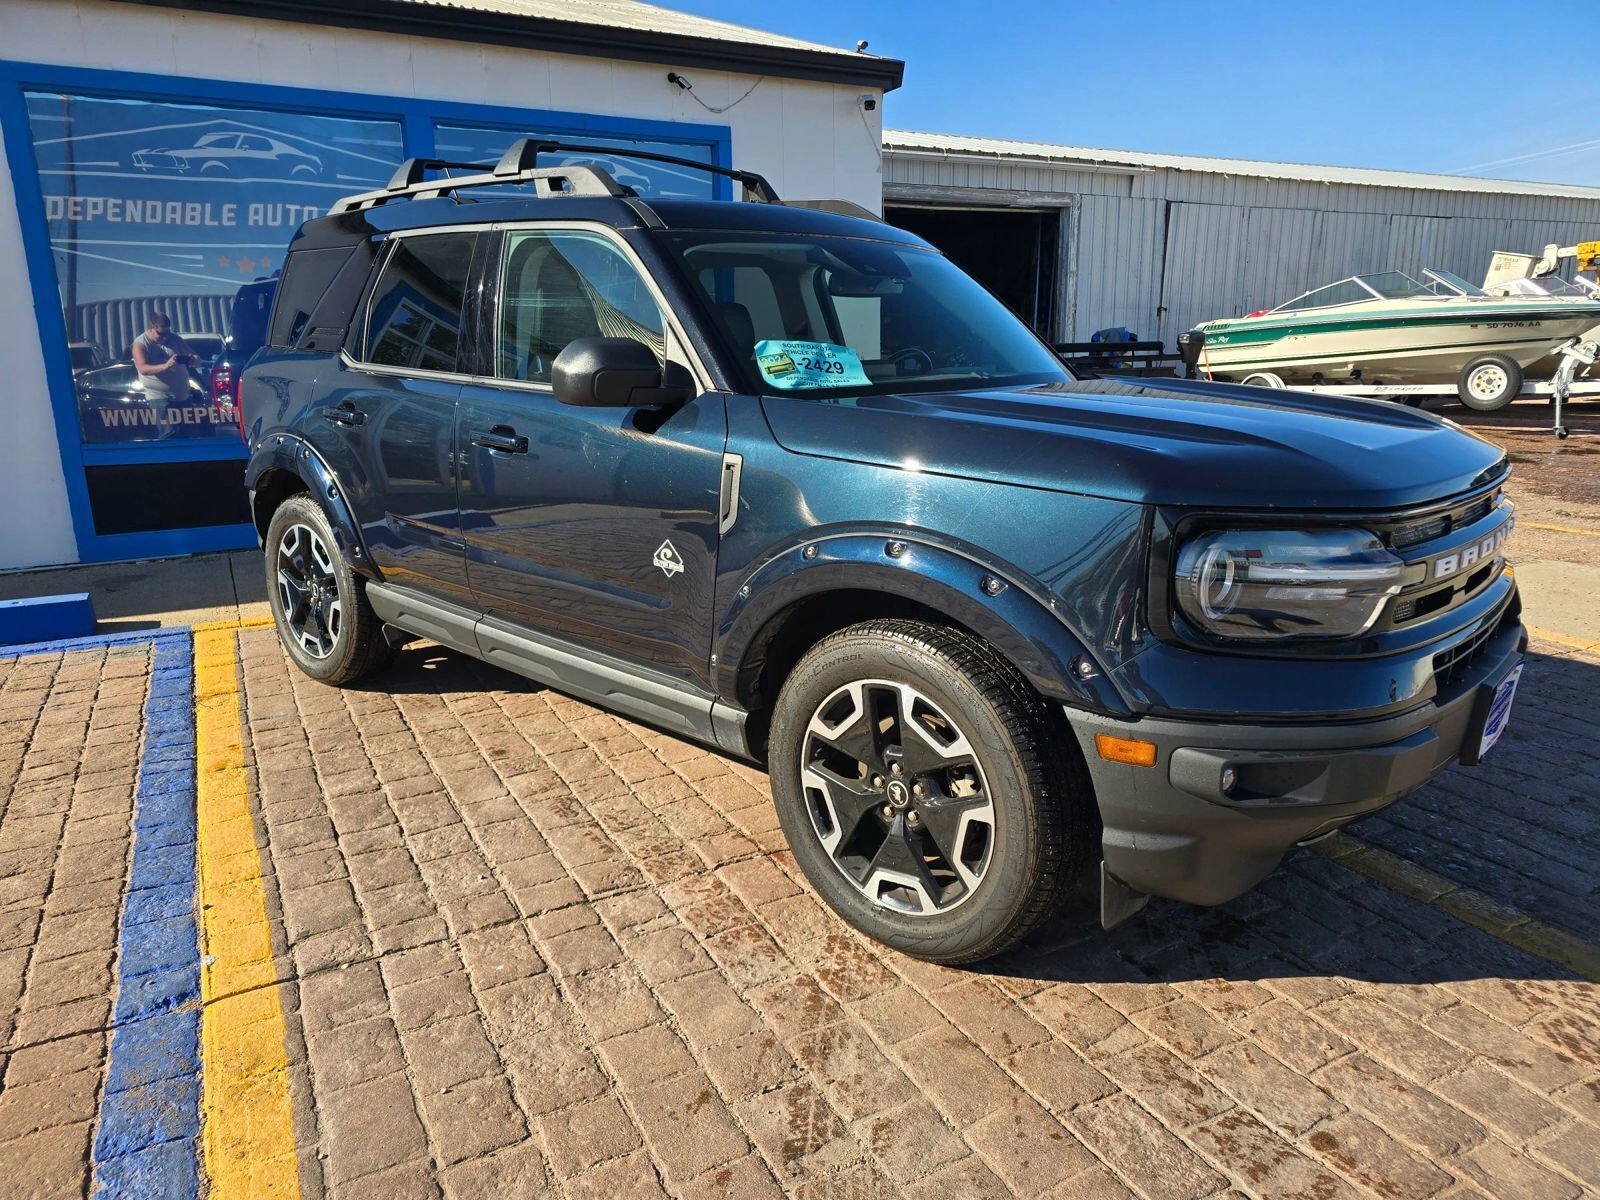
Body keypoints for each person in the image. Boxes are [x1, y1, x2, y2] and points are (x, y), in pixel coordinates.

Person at [131, 312, 199, 438]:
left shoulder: (175, 339)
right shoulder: (140, 344)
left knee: (187, 435)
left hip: (182, 396)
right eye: (161, 334)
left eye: (167, 333)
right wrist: (166, 365)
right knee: (169, 434)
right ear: (151, 328)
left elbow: (195, 357)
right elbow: (143, 368)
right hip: (160, 398)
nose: (165, 337)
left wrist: (193, 359)